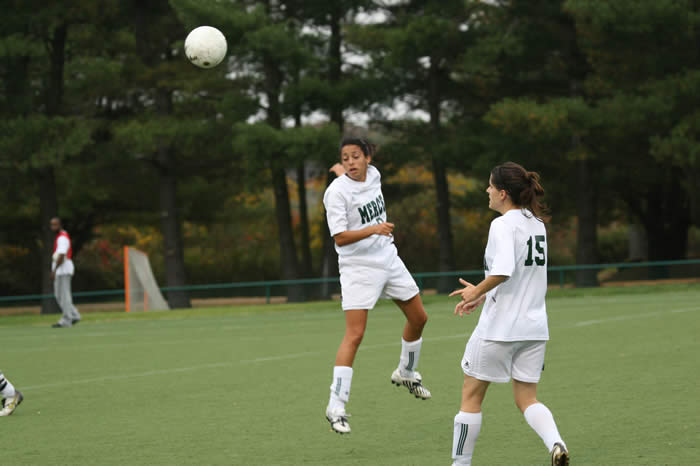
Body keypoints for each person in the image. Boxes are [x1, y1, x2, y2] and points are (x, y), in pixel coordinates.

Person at [448, 162, 569, 465]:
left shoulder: (502, 225)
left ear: (503, 193)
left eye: (490, 186)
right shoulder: (536, 223)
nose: (486, 190)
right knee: (527, 398)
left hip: (500, 328)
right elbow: (517, 275)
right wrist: (483, 294)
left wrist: (475, 291)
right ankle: (556, 444)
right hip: (534, 328)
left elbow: (503, 271)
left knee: (471, 396)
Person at [323, 137, 431, 435]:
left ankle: (406, 371)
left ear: (368, 158)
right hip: (358, 268)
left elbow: (352, 178)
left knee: (419, 318)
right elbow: (340, 237)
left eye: (355, 156)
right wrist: (374, 229)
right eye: (345, 158)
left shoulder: (374, 175)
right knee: (355, 334)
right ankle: (336, 406)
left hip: (388, 258)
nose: (351, 162)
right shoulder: (336, 193)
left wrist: (338, 170)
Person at [50, 217, 81, 328]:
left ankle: (67, 319)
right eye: (52, 225)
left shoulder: (62, 238)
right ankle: (74, 315)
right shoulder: (60, 237)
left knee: (64, 295)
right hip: (61, 270)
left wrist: (54, 270)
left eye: (55, 225)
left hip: (63, 270)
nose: (53, 227)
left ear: (60, 225)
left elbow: (62, 255)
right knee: (60, 295)